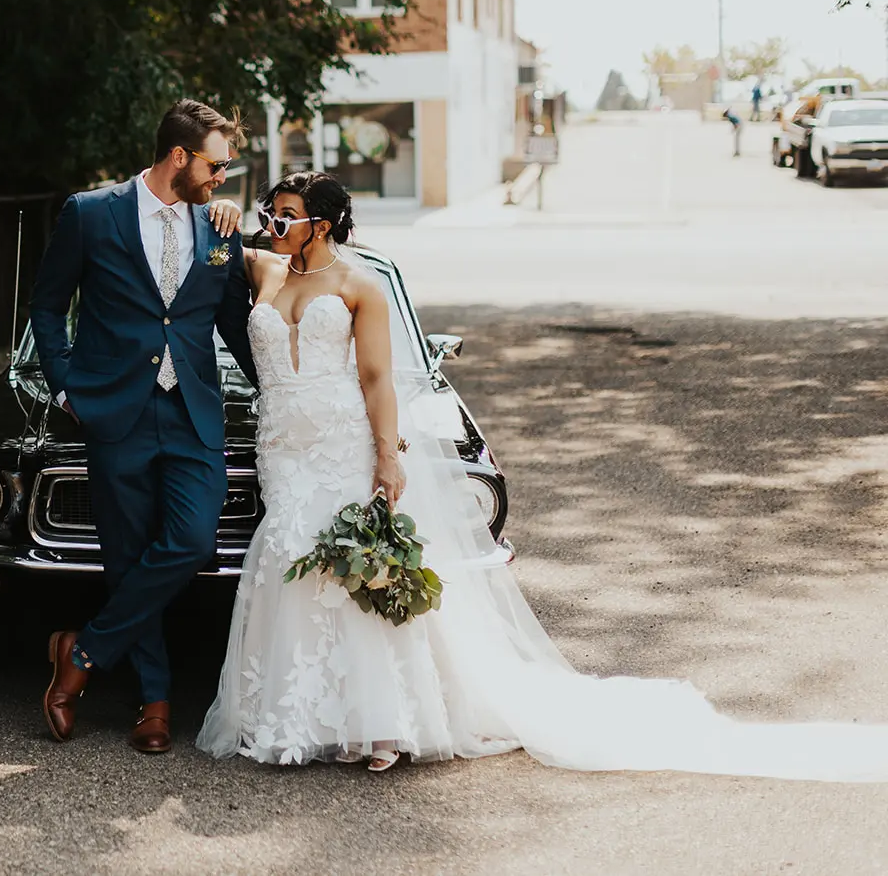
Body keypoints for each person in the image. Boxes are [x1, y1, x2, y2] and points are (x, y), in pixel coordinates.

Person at [198, 170, 888, 780]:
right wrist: (223, 211)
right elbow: (205, 237)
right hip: (284, 449)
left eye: (284, 214)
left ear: (321, 221)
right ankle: (308, 719)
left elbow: (378, 377)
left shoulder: (361, 284)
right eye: (269, 212)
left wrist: (387, 455)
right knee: (293, 563)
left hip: (344, 442)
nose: (272, 223)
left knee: (357, 575)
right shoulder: (266, 271)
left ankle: (380, 720)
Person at [30, 98, 257, 753]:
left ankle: (83, 651)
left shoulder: (219, 227)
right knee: (128, 558)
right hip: (115, 410)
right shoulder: (90, 213)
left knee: (187, 540)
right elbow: (48, 307)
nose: (223, 179)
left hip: (191, 413)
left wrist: (287, 387)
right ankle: (154, 703)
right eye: (216, 165)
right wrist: (68, 384)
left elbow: (236, 325)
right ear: (179, 156)